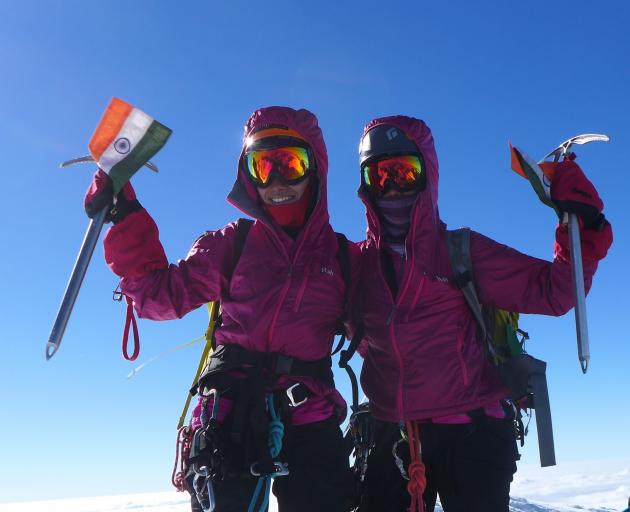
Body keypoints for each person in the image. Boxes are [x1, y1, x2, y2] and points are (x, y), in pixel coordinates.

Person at [84, 106, 357, 512]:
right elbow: (161, 296)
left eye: (291, 164)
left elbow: (390, 328)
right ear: (248, 175)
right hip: (229, 411)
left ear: (315, 169)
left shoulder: (344, 259)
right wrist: (124, 215)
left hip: (310, 415)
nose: (277, 180)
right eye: (263, 166)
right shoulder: (233, 243)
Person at [352, 115, 613, 512]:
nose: (391, 187)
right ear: (365, 185)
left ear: (427, 175)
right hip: (396, 432)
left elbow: (555, 293)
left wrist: (583, 225)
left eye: (404, 172)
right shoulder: (356, 265)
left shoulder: (461, 251)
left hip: (472, 433)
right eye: (379, 176)